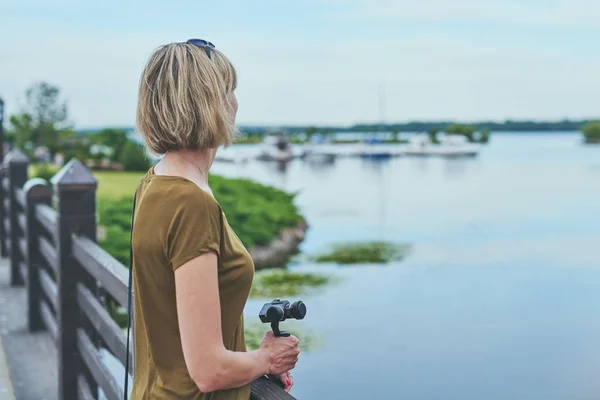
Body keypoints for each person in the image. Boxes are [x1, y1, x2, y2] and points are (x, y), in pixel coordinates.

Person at [130, 39, 300, 399]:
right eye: (228, 90)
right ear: (207, 104)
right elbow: (208, 370)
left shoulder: (153, 182)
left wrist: (250, 365)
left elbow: (180, 326)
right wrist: (267, 360)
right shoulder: (191, 203)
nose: (235, 103)